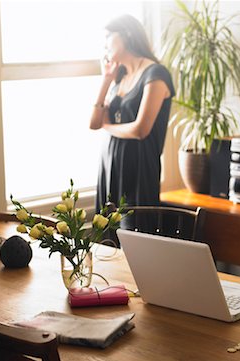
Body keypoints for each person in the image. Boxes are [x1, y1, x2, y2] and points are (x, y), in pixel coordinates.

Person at [90, 14, 175, 214]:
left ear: (127, 35)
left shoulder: (156, 74)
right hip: (109, 165)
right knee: (106, 239)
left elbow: (140, 129)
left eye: (108, 37)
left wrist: (108, 127)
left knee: (135, 236)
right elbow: (94, 123)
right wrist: (106, 80)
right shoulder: (120, 77)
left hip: (138, 169)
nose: (104, 45)